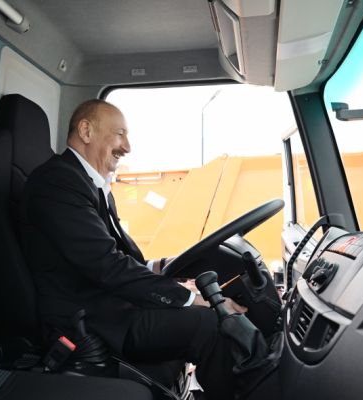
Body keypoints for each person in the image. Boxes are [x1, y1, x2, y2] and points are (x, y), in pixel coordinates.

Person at [19, 99, 246, 399]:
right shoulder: (58, 182)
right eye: (120, 134)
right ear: (86, 131)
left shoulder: (90, 183)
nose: (127, 147)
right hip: (93, 319)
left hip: (112, 305)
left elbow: (119, 255)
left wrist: (165, 266)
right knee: (213, 323)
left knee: (213, 313)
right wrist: (192, 299)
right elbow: (106, 265)